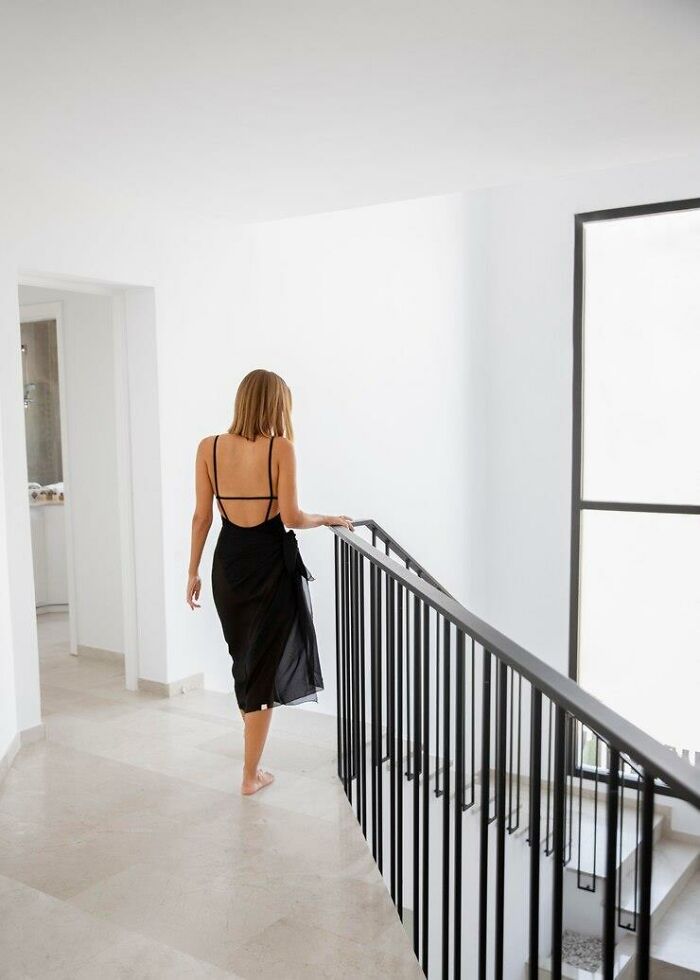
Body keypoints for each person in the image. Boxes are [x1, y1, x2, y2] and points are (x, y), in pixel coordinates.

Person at [186, 369, 353, 796]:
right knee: (261, 668)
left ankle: (252, 765)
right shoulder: (281, 448)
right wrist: (327, 518)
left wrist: (193, 571)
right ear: (278, 404)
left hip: (228, 567)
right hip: (270, 569)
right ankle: (249, 775)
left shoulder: (209, 447)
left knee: (245, 663)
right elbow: (293, 517)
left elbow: (202, 517)